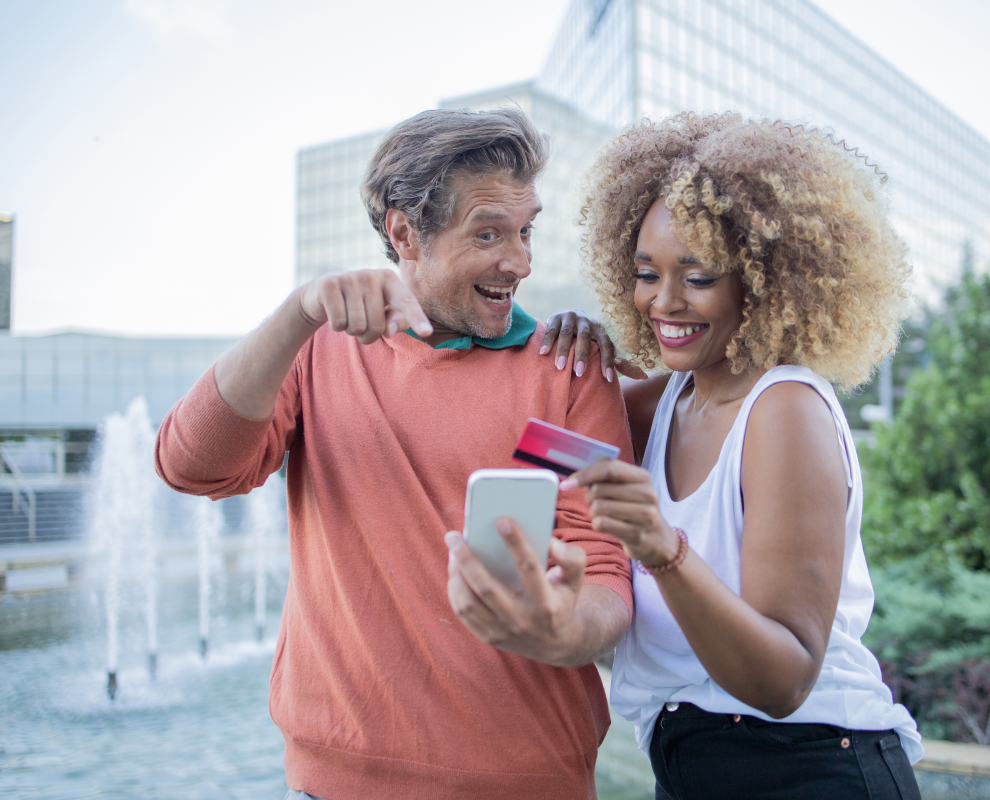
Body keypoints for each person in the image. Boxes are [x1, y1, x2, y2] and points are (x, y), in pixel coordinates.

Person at [155, 107, 634, 800]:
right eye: (489, 233)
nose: (521, 262)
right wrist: (299, 312)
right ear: (404, 232)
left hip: (530, 779)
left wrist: (567, 629)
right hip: (331, 784)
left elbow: (602, 562)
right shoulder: (314, 352)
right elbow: (190, 468)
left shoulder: (564, 372)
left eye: (526, 231)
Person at [544, 112, 923, 799]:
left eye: (698, 276)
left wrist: (666, 552)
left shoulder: (785, 412)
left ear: (763, 280)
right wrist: (551, 354)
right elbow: (532, 445)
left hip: (808, 763)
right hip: (691, 762)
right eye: (645, 272)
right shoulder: (661, 403)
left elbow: (783, 680)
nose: (664, 301)